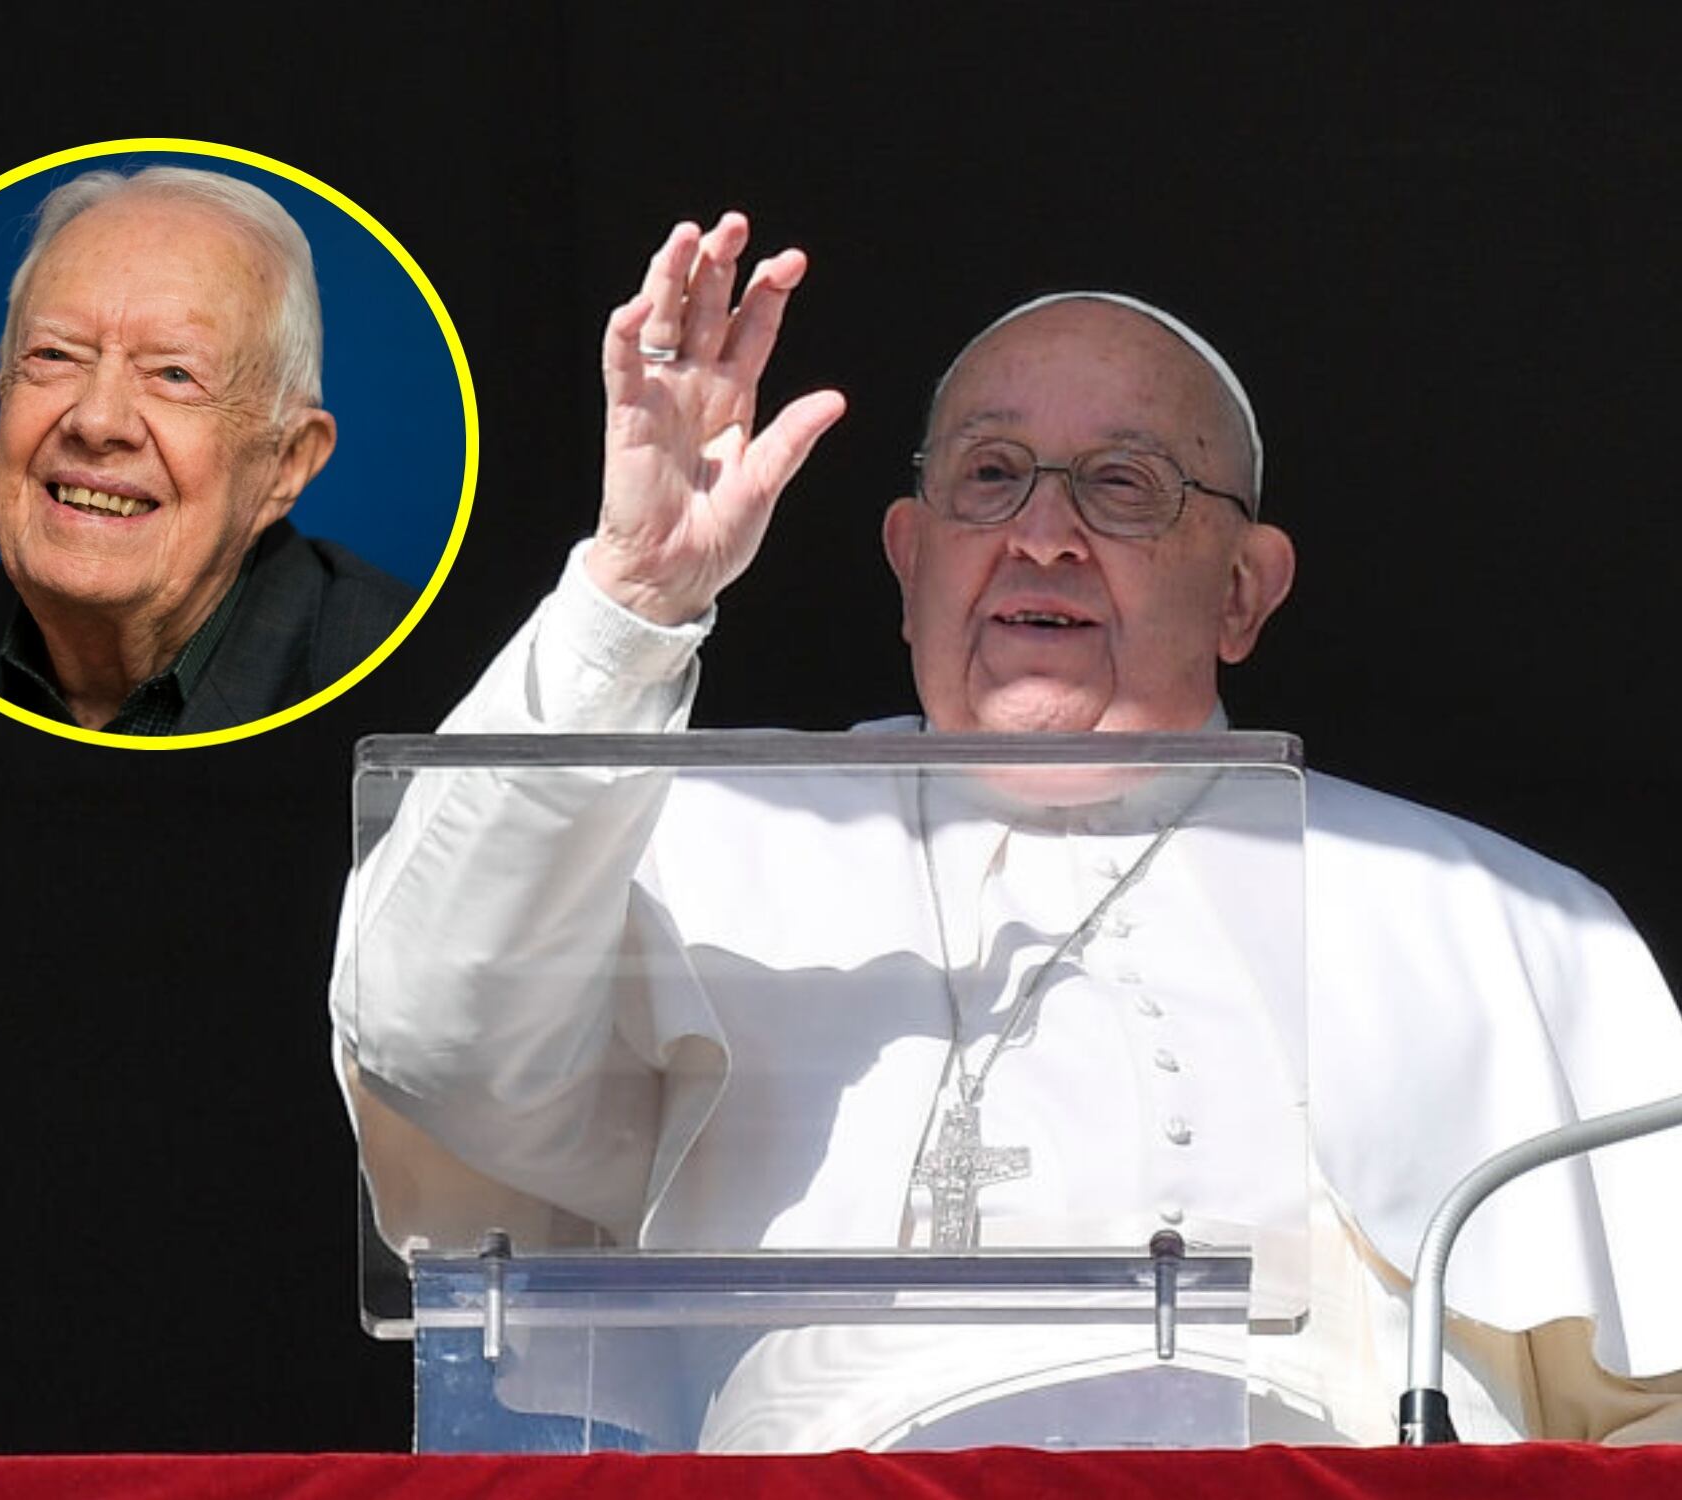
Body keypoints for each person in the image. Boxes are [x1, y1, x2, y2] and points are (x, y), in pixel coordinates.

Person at [331, 213, 1682, 1447]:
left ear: (1243, 595)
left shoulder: (1491, 916)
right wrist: (632, 598)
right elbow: (426, 1032)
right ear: (911, 561)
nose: (1043, 534)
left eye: (1124, 483)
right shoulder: (700, 842)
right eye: (990, 478)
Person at [0, 167, 414, 735]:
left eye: (175, 374)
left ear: (288, 462)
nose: (96, 421)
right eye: (55, 355)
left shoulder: (409, 686)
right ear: (3, 388)